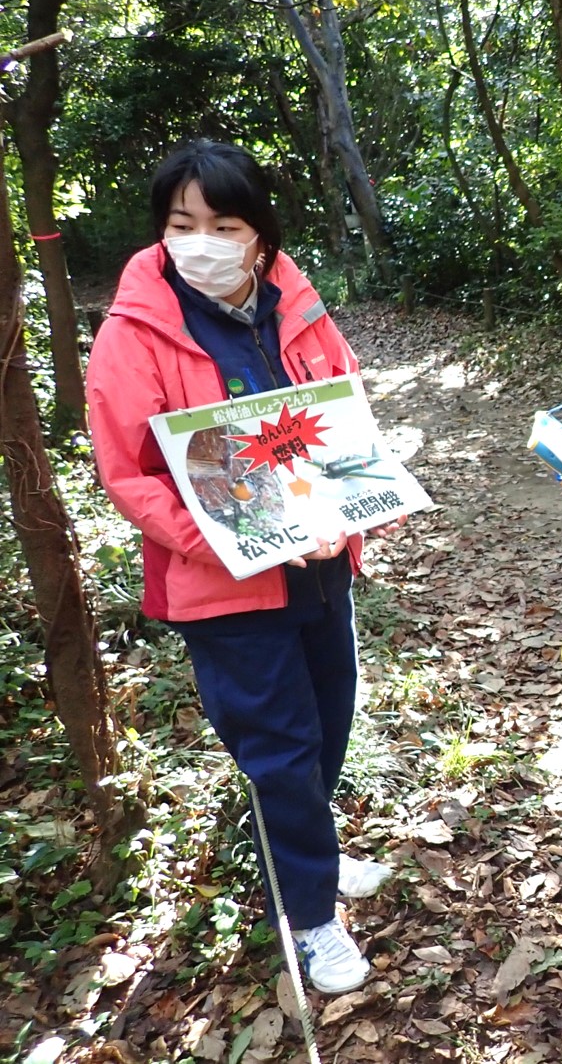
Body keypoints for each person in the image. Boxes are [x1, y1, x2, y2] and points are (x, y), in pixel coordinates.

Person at [85, 140, 397, 995]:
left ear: (259, 234)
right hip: (226, 589)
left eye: (224, 223)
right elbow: (129, 475)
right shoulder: (134, 333)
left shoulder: (292, 298)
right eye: (182, 224)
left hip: (319, 564)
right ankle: (310, 914)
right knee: (281, 749)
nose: (202, 241)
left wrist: (348, 508)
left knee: (331, 718)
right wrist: (227, 538)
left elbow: (343, 404)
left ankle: (314, 858)